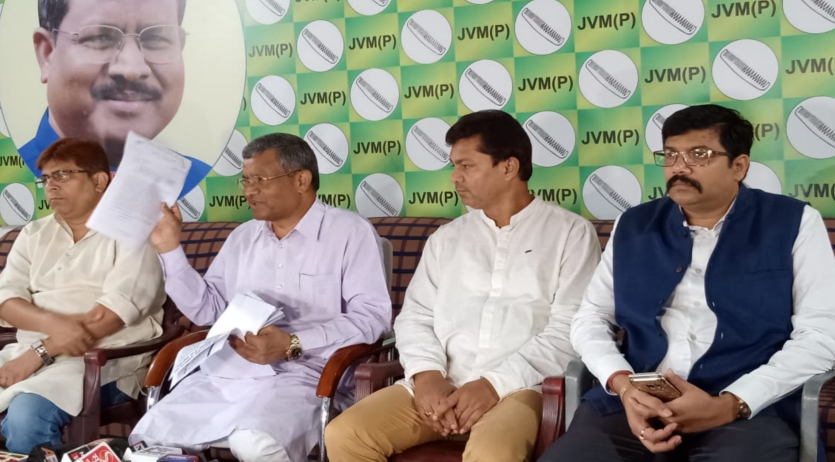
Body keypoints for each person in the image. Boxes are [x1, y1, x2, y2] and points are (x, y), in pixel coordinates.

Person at [538, 104, 835, 462]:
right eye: (671, 155)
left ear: (739, 166)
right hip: (634, 405)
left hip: (747, 411)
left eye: (699, 154)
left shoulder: (793, 222)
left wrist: (732, 403)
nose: (680, 166)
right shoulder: (634, 225)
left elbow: (820, 335)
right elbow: (591, 318)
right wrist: (622, 384)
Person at [326, 110, 602, 462]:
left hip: (519, 388)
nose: (455, 177)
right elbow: (415, 317)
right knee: (346, 434)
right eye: (454, 166)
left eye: (467, 166)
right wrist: (427, 375)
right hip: (441, 384)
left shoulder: (570, 233)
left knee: (492, 453)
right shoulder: (447, 238)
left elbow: (569, 329)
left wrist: (492, 385)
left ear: (509, 167)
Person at [130, 133, 392, 462]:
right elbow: (208, 310)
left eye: (260, 180)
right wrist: (170, 249)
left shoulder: (350, 232)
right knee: (149, 439)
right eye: (246, 180)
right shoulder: (242, 238)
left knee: (255, 443)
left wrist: (293, 343)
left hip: (309, 375)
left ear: (301, 180)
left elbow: (372, 318)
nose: (249, 191)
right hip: (230, 374)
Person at [0, 138, 165, 453]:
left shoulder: (133, 234)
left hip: (103, 362)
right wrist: (52, 327)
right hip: (24, 353)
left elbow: (111, 316)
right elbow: (6, 301)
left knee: (26, 418)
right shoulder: (34, 233)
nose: (51, 186)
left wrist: (40, 352)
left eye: (63, 174)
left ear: (99, 181)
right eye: (46, 178)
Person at [21, 0, 210, 197]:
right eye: (100, 37)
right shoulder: (14, 180)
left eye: (157, 38)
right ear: (47, 53)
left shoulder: (195, 182)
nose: (131, 68)